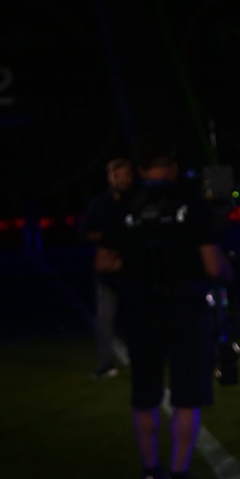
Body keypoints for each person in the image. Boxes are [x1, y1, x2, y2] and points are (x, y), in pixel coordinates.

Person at [96, 136, 232, 479]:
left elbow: (104, 261)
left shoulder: (125, 207)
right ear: (171, 167)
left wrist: (136, 267)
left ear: (141, 170)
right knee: (187, 397)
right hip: (186, 309)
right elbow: (212, 265)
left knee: (144, 395)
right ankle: (180, 476)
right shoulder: (191, 204)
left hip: (141, 309)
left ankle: (150, 472)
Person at [81, 156, 136, 379]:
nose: (121, 180)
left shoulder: (138, 201)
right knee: (105, 319)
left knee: (137, 316)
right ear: (109, 177)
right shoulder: (99, 205)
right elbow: (86, 233)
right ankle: (106, 364)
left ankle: (144, 357)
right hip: (108, 271)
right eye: (116, 175)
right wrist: (111, 238)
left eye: (125, 175)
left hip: (134, 269)